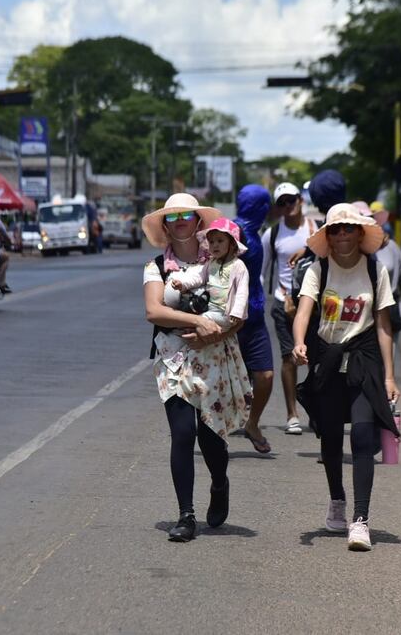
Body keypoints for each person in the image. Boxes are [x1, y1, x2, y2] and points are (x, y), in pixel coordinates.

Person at [142, 193, 253, 543]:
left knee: (211, 438)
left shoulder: (224, 259)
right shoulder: (156, 266)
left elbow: (240, 312)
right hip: (173, 356)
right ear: (165, 226)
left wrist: (210, 335)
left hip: (215, 355)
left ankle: (219, 483)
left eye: (186, 215)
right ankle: (186, 515)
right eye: (171, 217)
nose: (179, 222)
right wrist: (194, 321)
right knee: (183, 434)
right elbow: (154, 311)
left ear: (198, 222)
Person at [292, 203, 401, 552]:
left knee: (364, 436)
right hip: (327, 357)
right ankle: (337, 499)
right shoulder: (317, 270)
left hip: (364, 360)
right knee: (330, 436)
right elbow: (304, 310)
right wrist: (298, 343)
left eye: (348, 229)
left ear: (359, 233)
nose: (342, 236)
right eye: (335, 230)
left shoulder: (375, 269)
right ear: (328, 236)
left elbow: (384, 326)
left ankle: (361, 520)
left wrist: (390, 377)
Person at [261, 182, 320, 435]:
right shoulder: (272, 234)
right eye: (282, 203)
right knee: (288, 358)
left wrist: (308, 248)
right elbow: (262, 271)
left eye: (291, 200)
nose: (288, 206)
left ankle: (317, 413)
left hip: (313, 301)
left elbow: (325, 255)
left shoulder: (314, 229)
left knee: (316, 359)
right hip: (282, 301)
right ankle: (291, 414)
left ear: (300, 200)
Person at [234, 185, 275, 454]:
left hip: (256, 314)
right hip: (233, 316)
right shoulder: (233, 232)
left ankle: (252, 423)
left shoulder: (255, 230)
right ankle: (212, 431)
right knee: (222, 378)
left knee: (265, 375)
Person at [352, 201, 401, 340]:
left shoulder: (390, 247)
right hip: (353, 318)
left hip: (388, 315)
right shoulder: (341, 252)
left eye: (368, 220)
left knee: (387, 360)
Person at [170, 217, 249, 331]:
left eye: (220, 241)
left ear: (232, 244)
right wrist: (183, 284)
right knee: (195, 324)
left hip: (227, 313)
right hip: (211, 309)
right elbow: (199, 277)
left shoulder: (238, 265)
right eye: (211, 242)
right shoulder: (211, 262)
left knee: (197, 323)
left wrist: (237, 312)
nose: (215, 245)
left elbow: (242, 291)